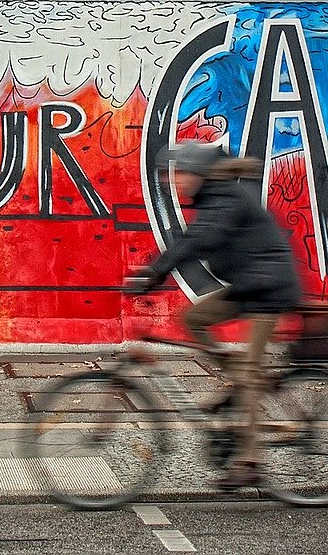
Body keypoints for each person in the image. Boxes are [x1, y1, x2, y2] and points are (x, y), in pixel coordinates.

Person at [123, 141, 302, 489]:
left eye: (182, 174)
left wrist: (154, 274)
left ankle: (249, 461)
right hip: (250, 285)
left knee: (250, 376)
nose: (175, 182)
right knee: (193, 318)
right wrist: (154, 273)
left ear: (200, 173)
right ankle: (239, 381)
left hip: (268, 289)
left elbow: (198, 241)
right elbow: (194, 239)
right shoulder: (214, 199)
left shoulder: (226, 199)